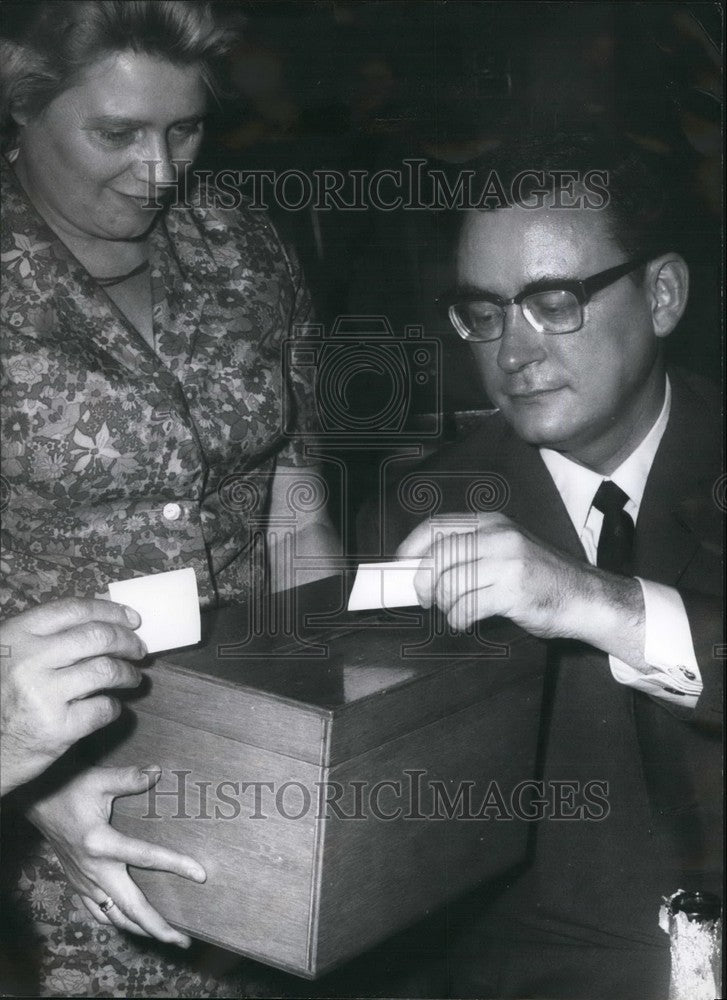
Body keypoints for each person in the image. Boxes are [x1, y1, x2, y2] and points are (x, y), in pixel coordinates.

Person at [0, 1, 339, 995]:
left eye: (183, 128)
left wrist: (325, 737)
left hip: (244, 776)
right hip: (44, 803)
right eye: (116, 132)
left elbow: (297, 510)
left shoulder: (244, 248)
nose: (159, 169)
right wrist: (35, 788)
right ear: (20, 107)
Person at [376, 134, 723, 999]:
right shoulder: (425, 510)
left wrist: (589, 601)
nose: (513, 352)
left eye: (553, 301)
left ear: (663, 293)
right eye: (485, 314)